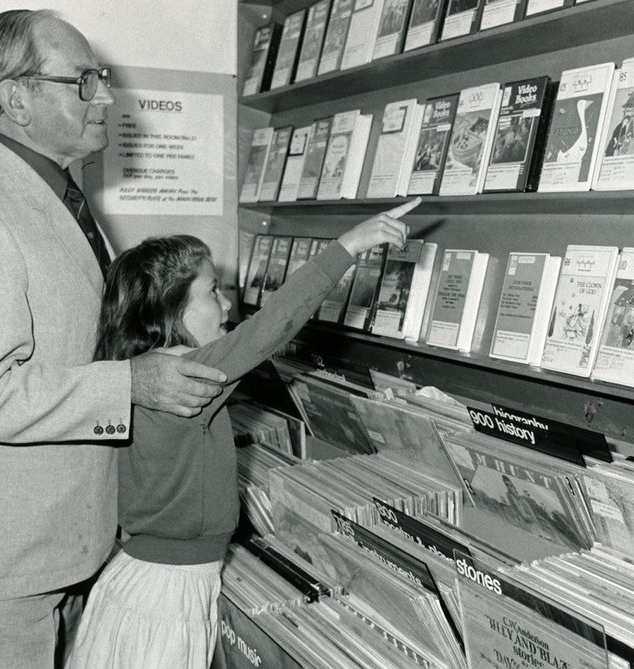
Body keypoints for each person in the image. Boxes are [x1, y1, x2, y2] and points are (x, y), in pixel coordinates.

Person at [0, 10, 226, 668]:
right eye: (83, 80)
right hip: (1, 556)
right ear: (16, 98)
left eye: (100, 77)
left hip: (66, 540)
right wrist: (133, 382)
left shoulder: (56, 193)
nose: (104, 95)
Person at [66, 199, 420, 668]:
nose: (227, 303)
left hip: (143, 580)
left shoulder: (131, 374)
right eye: (213, 293)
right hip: (167, 592)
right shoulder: (186, 375)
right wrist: (348, 247)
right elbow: (270, 329)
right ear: (171, 310)